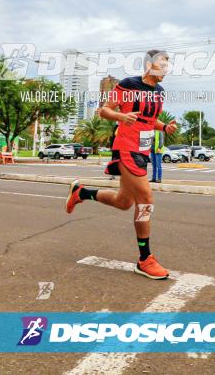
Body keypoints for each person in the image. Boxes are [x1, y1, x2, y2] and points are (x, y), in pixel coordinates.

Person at [65, 50, 177, 279]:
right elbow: (104, 110)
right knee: (145, 198)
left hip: (142, 150)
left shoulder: (159, 92)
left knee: (124, 201)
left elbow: (147, 119)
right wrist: (121, 117)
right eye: (162, 64)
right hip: (126, 146)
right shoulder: (129, 85)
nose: (166, 69)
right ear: (149, 65)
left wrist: (164, 127)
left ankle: (81, 192)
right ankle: (145, 259)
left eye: (168, 65)